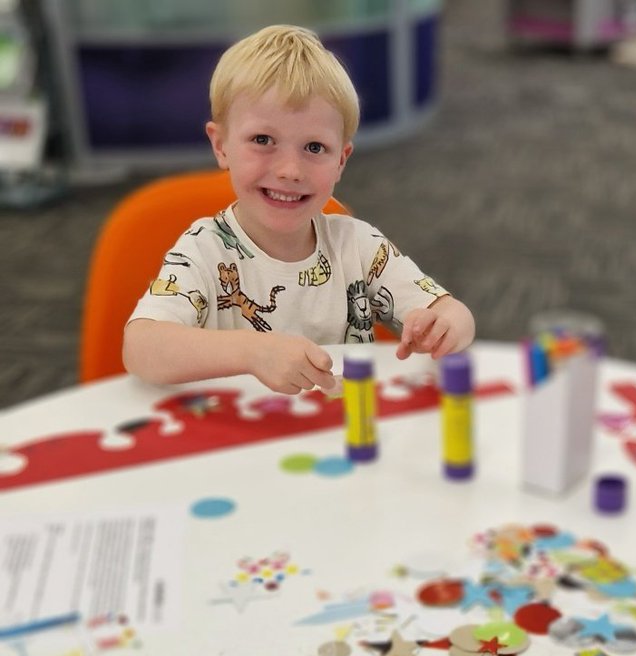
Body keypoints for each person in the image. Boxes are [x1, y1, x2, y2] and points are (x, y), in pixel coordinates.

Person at [123, 25, 474, 394]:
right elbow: (141, 348)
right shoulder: (204, 250)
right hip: (238, 438)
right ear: (221, 145)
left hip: (347, 434)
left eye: (314, 147)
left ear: (341, 160)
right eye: (263, 140)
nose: (290, 170)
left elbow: (453, 314)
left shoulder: (358, 245)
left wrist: (443, 326)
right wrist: (253, 352)